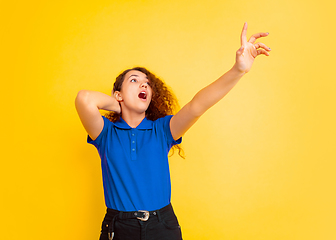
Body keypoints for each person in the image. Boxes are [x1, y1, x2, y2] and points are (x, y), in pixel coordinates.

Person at [75, 23, 270, 240]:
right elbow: (84, 99)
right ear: (117, 94)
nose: (144, 86)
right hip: (119, 228)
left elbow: (197, 106)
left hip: (162, 226)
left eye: (148, 84)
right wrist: (118, 102)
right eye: (134, 80)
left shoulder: (162, 130)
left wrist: (238, 70)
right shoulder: (106, 133)